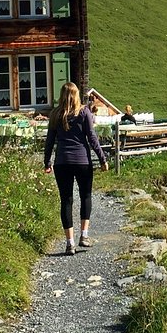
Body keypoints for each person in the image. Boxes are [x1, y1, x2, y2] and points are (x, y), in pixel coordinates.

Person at [44, 81, 109, 255]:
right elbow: (92, 138)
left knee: (66, 200)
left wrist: (47, 162)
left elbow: (49, 141)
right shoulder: (84, 112)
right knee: (85, 195)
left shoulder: (55, 114)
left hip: (62, 162)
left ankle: (69, 243)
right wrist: (102, 159)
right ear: (77, 95)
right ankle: (84, 236)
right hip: (82, 161)